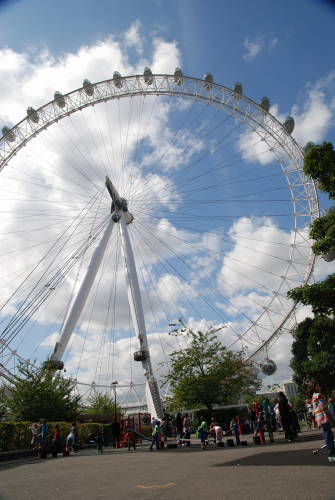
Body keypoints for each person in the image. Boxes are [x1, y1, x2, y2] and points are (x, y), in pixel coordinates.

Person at [307, 380, 335, 462]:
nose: (320, 387)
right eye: (318, 385)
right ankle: (331, 455)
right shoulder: (319, 395)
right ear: (314, 387)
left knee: (329, 435)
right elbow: (323, 407)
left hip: (319, 418)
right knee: (328, 436)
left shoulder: (313, 396)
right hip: (324, 417)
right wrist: (330, 416)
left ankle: (332, 454)